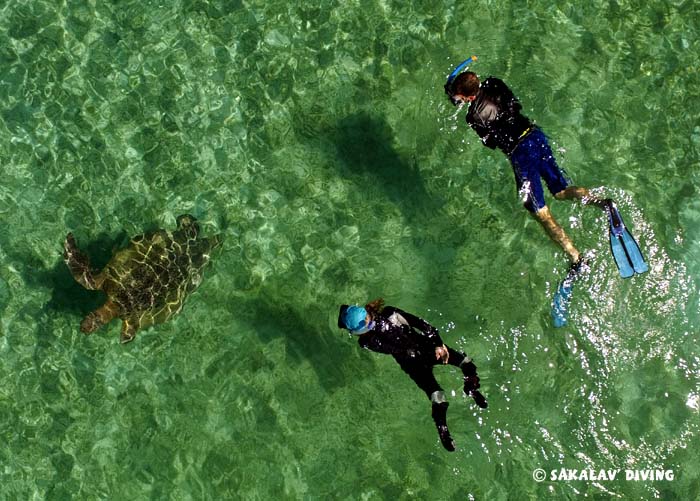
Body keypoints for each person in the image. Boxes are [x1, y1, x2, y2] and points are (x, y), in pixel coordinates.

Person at [444, 66, 614, 268]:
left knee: (539, 211)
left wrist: (458, 100)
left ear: (468, 98)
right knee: (560, 191)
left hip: (521, 153)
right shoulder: (493, 82)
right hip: (534, 135)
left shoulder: (473, 117)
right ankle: (603, 203)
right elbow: (515, 103)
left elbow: (490, 143)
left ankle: (576, 258)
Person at [337, 299, 487, 452]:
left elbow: (390, 344)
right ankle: (472, 387)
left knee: (436, 395)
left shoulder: (366, 343)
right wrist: (439, 344)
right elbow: (426, 327)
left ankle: (442, 428)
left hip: (411, 363)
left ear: (356, 332)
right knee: (466, 363)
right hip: (427, 348)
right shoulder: (391, 314)